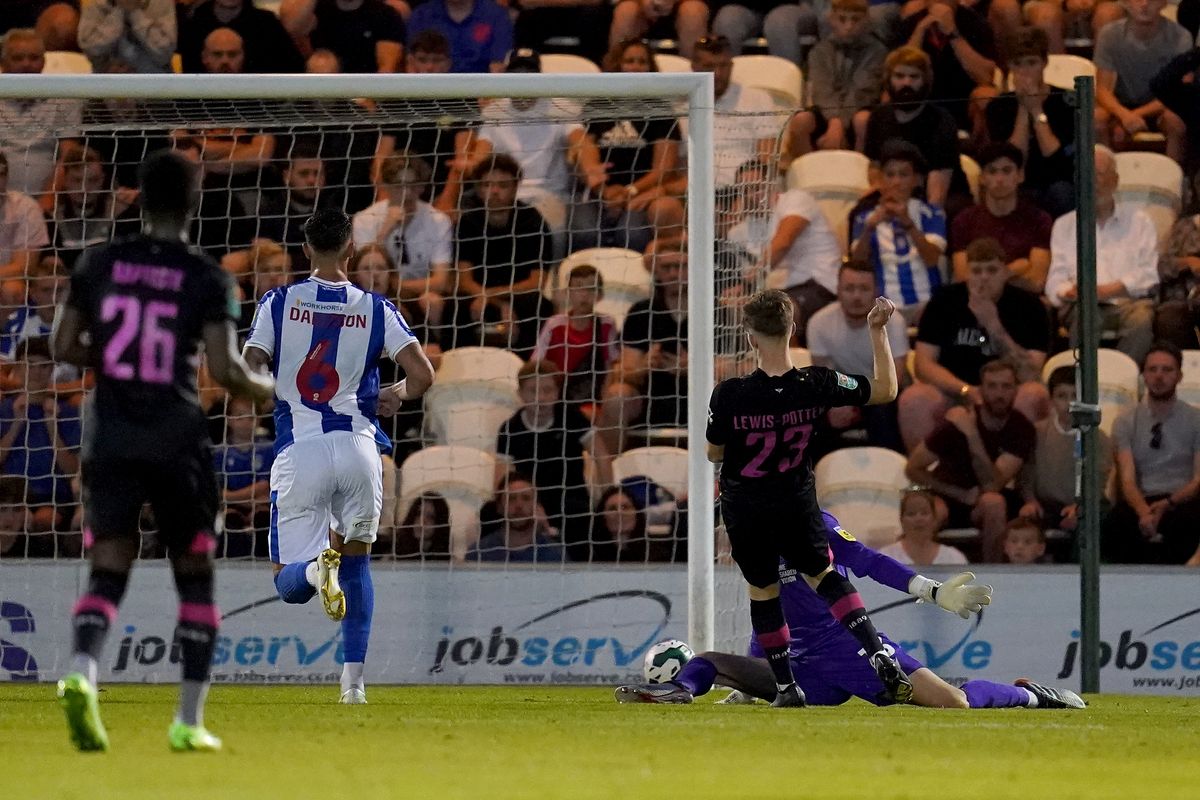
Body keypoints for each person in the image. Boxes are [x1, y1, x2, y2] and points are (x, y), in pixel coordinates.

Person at [50, 149, 276, 752]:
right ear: (195, 199)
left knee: (109, 566)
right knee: (195, 572)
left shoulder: (99, 261)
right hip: (177, 440)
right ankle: (188, 721)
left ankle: (81, 670)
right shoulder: (208, 276)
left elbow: (63, 343)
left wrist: (120, 365)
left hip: (113, 435)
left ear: (138, 198)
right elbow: (227, 371)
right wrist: (269, 389)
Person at [242, 208, 435, 704]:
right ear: (351, 249)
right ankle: (353, 686)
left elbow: (250, 366)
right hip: (359, 451)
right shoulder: (376, 308)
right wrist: (394, 392)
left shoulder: (277, 302)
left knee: (291, 582)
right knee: (357, 566)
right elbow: (424, 376)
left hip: (301, 448)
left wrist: (271, 389)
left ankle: (312, 570)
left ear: (304, 250)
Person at [616, 510, 1080, 712]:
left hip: (848, 647)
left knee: (952, 701)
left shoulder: (815, 526)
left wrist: (933, 591)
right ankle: (677, 691)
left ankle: (1031, 696)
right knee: (712, 662)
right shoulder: (750, 539)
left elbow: (869, 561)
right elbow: (767, 609)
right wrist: (759, 678)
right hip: (799, 669)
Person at [706, 288, 909, 707]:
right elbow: (886, 390)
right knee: (825, 576)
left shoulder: (729, 395)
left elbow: (714, 453)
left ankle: (785, 688)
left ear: (749, 336)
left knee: (763, 592)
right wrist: (877, 331)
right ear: (792, 329)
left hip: (748, 507)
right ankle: (876, 651)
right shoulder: (819, 381)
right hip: (796, 500)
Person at [899, 237, 1050, 450]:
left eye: (992, 270)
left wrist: (993, 325)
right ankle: (928, 476)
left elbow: (1029, 373)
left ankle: (1017, 475)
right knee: (914, 399)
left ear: (1005, 272)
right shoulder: (944, 301)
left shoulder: (1030, 306)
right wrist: (966, 390)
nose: (984, 278)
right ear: (967, 273)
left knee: (1034, 394)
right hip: (955, 391)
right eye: (977, 271)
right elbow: (923, 366)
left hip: (1006, 393)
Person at [906, 359, 1036, 562]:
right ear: (981, 389)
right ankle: (916, 576)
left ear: (1016, 390)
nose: (999, 394)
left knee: (994, 503)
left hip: (983, 501)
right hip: (948, 493)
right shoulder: (956, 422)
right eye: (992, 386)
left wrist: (972, 435)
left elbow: (992, 484)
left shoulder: (1021, 429)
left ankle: (995, 576)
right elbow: (913, 468)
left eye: (1006, 386)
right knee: (926, 510)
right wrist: (958, 493)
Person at [1045, 145, 1158, 365]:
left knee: (1142, 321)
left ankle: (1120, 378)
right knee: (1086, 318)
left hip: (1129, 302)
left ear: (1115, 180)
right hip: (1083, 304)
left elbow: (1148, 274)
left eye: (1098, 174)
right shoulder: (1064, 225)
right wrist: (1068, 291)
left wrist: (1106, 290)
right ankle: (1084, 384)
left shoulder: (1140, 222)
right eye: (1085, 174)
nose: (1092, 182)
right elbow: (1054, 279)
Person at [497, 360, 612, 559]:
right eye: (533, 391)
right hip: (529, 502)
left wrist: (606, 498)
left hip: (571, 500)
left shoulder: (572, 418)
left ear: (557, 392)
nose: (541, 398)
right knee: (489, 512)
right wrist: (526, 505)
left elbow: (602, 456)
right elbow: (501, 479)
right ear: (520, 394)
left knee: (578, 515)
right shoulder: (510, 428)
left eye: (548, 390)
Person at [1103, 343, 1200, 564]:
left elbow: (1197, 480)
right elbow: (1127, 479)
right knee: (1115, 525)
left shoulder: (1196, 420)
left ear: (1179, 376)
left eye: (1167, 370)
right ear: (1144, 376)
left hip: (1182, 499)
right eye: (1152, 369)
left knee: (1187, 523)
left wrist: (1168, 503)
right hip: (1141, 498)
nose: (1159, 376)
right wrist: (1144, 512)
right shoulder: (1126, 421)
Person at [806, 259, 909, 455]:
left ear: (876, 291)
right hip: (842, 394)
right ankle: (814, 478)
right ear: (837, 289)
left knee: (883, 410)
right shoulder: (819, 323)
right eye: (849, 288)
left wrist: (857, 404)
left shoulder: (893, 323)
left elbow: (893, 382)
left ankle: (888, 471)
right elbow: (824, 378)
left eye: (864, 289)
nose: (856, 296)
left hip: (882, 398)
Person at [984, 27, 1077, 219]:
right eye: (1018, 64)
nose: (1025, 71)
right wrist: (1023, 108)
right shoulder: (998, 107)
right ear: (1010, 66)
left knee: (1061, 193)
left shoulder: (1067, 101)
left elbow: (1057, 161)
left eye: (1032, 63)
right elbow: (1012, 161)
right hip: (1019, 182)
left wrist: (1036, 110)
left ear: (1044, 62)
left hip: (1057, 181)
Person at [849, 139, 947, 320]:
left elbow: (932, 259)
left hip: (926, 303)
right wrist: (869, 229)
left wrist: (908, 223)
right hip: (882, 306)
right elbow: (857, 265)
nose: (896, 182)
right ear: (880, 180)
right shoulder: (864, 217)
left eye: (903, 175)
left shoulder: (930, 214)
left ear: (916, 180)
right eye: (890, 175)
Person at [1018, 366, 1113, 548]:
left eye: (1075, 396)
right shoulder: (1037, 432)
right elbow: (1026, 474)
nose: (1069, 403)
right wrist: (1030, 501)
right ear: (1052, 399)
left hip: (1083, 505)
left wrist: (1080, 506)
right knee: (1023, 522)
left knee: (1091, 521)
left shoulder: (1097, 438)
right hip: (1045, 506)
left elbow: (1097, 480)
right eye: (1062, 396)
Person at [861, 46, 963, 211]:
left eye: (914, 77)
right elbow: (874, 166)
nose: (906, 83)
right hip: (893, 193)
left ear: (925, 80)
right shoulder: (878, 116)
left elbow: (938, 190)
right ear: (889, 79)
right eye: (899, 76)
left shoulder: (942, 121)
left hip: (943, 197)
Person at [784, 0, 886, 159]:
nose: (849, 26)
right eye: (842, 19)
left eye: (855, 20)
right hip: (828, 112)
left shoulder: (877, 51)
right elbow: (822, 91)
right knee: (801, 120)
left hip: (858, 110)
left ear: (866, 20)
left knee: (863, 120)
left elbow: (863, 91)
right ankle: (803, 172)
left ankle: (861, 171)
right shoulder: (819, 51)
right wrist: (834, 121)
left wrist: (840, 123)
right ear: (831, 19)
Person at [1094, 0, 1191, 164]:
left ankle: (1174, 180)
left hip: (1162, 107)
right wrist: (1123, 114)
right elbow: (1103, 89)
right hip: (1121, 106)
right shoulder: (1109, 34)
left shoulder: (1180, 37)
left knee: (1176, 120)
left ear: (1164, 3)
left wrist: (1134, 116)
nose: (1145, 4)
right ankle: (1105, 179)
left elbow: (1178, 92)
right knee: (1096, 118)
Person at [948, 143, 1053, 293]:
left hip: (1023, 301)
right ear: (982, 178)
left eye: (1007, 170)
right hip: (978, 300)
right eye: (992, 171)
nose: (999, 179)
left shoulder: (1039, 220)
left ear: (1020, 175)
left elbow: (1036, 281)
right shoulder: (964, 221)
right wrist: (1015, 268)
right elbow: (963, 278)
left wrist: (988, 276)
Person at [899, 0, 999, 137]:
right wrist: (920, 32)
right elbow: (898, 73)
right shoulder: (910, 24)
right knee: (889, 96)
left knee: (986, 95)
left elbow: (985, 77)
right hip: (921, 101)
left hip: (964, 104)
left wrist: (953, 34)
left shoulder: (975, 24)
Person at [532, 263, 620, 406]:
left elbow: (610, 366)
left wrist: (605, 403)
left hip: (592, 399)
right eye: (578, 287)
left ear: (600, 295)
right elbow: (536, 364)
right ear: (568, 292)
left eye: (591, 288)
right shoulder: (554, 324)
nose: (584, 294)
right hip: (557, 398)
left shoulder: (606, 324)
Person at [279, 0, 407, 74]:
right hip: (319, 94)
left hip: (364, 96)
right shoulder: (316, 11)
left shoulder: (385, 14)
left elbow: (387, 68)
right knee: (322, 63)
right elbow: (291, 28)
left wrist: (369, 99)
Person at [179, 0, 304, 74]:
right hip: (200, 112)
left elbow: (294, 69)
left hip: (258, 110)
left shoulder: (267, 24)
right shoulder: (192, 25)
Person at [467, 472, 566, 562]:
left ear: (537, 506)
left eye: (526, 498)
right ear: (499, 507)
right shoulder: (478, 553)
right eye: (511, 498)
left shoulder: (555, 554)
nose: (519, 505)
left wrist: (547, 529)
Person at [404, 0, 512, 73]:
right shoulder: (421, 15)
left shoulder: (496, 15)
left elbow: (498, 66)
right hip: (430, 91)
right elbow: (411, 64)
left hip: (482, 93)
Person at [77, 0, 176, 74]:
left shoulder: (161, 4)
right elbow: (89, 48)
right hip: (107, 89)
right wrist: (119, 12)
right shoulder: (97, 5)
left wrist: (135, 14)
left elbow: (164, 53)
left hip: (154, 91)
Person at [879, 489, 969, 565]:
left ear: (934, 519)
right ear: (902, 521)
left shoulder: (954, 558)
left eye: (924, 513)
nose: (919, 519)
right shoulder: (886, 557)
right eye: (911, 514)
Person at [610, 0, 710, 59]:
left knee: (693, 13)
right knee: (626, 12)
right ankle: (616, 82)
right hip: (637, 5)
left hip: (686, 4)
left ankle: (694, 83)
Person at [382, 492, 451, 560]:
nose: (422, 521)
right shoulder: (391, 558)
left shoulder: (449, 564)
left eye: (431, 517)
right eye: (418, 513)